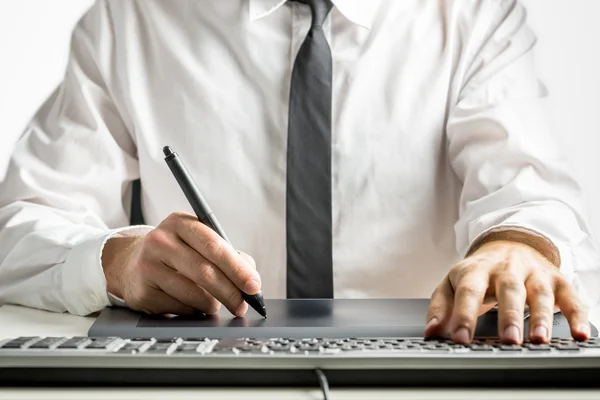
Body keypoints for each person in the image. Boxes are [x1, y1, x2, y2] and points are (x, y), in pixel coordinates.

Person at [0, 0, 598, 345]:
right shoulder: (132, 19)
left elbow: (529, 190)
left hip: (425, 373)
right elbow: (20, 228)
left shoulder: (472, 15)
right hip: (200, 379)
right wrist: (118, 262)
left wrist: (517, 245)